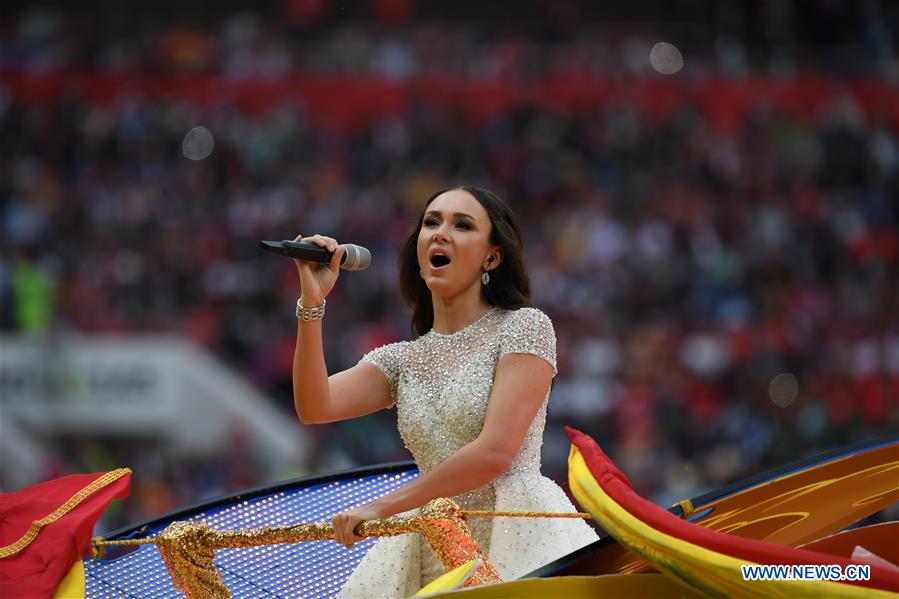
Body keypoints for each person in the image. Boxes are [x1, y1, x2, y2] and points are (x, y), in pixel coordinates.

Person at [292, 186, 599, 597]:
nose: (440, 233)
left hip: (516, 538)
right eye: (432, 222)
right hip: (426, 544)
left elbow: (495, 452)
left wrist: (382, 507)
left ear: (492, 256)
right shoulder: (402, 359)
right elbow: (315, 407)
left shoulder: (524, 327)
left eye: (463, 225)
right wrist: (311, 304)